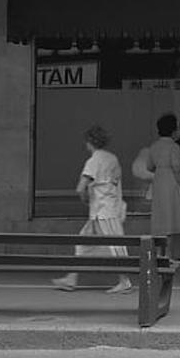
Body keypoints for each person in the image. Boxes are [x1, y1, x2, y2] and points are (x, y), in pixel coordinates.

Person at [53, 125, 132, 295]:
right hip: (109, 208)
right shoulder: (113, 158)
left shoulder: (94, 160)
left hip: (101, 211)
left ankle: (125, 281)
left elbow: (81, 187)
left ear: (90, 142)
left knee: (114, 245)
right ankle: (71, 278)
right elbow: (116, 183)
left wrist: (85, 199)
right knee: (86, 243)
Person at [145, 113, 180, 259]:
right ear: (172, 130)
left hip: (159, 181)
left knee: (161, 219)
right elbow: (177, 167)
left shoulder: (154, 146)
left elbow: (149, 166)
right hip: (171, 182)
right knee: (171, 219)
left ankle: (159, 254)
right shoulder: (174, 147)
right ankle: (169, 255)